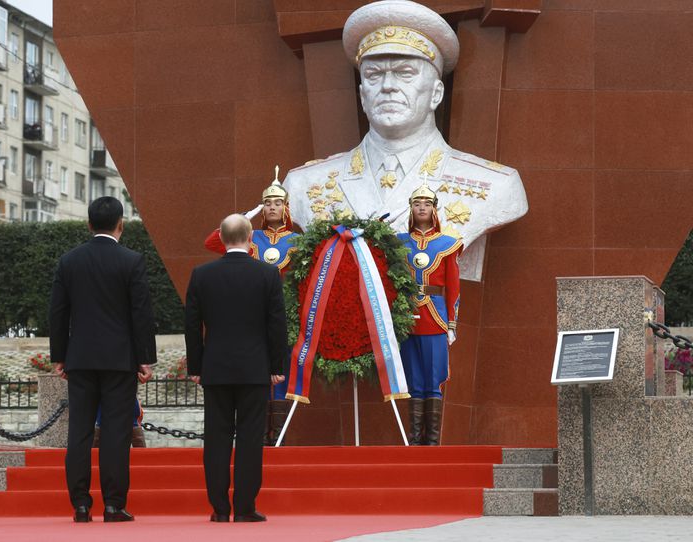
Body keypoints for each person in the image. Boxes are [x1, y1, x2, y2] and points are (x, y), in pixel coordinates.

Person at [282, 0, 528, 281]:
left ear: (436, 93)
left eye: (405, 73)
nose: (387, 86)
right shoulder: (303, 184)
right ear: (363, 95)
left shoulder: (496, 186)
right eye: (374, 75)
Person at [49, 196, 157, 523]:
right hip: (120, 360)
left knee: (79, 431)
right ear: (121, 225)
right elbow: (141, 314)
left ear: (88, 224)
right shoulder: (132, 261)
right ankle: (113, 505)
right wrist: (145, 359)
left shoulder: (69, 261)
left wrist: (59, 356)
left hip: (80, 358)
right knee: (115, 433)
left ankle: (80, 505)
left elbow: (58, 312)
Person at [185, 214, 287, 523]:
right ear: (251, 237)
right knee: (249, 438)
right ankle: (244, 507)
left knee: (216, 438)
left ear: (222, 237)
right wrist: (276, 365)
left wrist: (196, 366)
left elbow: (192, 325)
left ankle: (218, 508)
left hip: (215, 368)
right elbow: (276, 325)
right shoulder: (267, 275)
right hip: (254, 369)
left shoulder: (201, 275)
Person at [203, 174, 297, 445]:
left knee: (279, 375)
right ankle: (256, 436)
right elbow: (212, 242)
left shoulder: (297, 240)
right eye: (267, 203)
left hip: (282, 316)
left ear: (286, 208)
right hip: (253, 317)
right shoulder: (250, 236)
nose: (271, 208)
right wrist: (243, 216)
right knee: (257, 379)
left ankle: (277, 437)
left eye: (277, 203)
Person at [397, 184, 461, 445]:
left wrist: (452, 323)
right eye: (417, 203)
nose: (422, 207)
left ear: (435, 209)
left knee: (433, 378)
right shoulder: (399, 243)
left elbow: (454, 286)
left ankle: (432, 441)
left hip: (435, 315)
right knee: (413, 379)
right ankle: (414, 438)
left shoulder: (448, 244)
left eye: (427, 203)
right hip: (408, 317)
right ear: (411, 209)